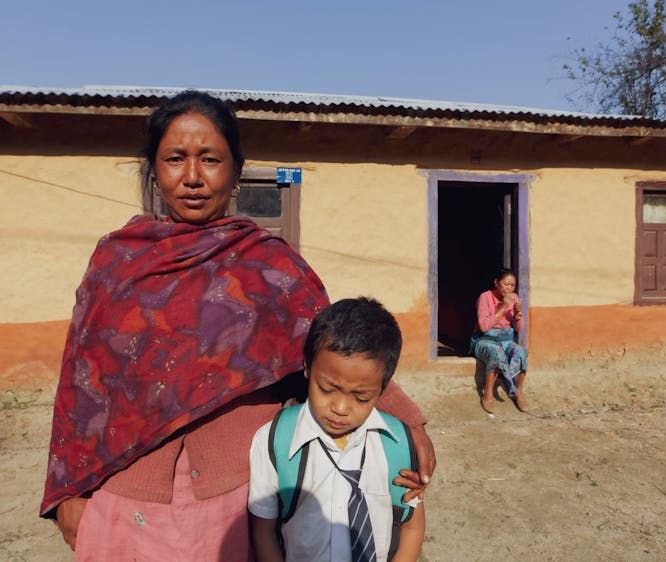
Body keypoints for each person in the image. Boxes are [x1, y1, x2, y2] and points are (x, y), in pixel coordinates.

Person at [40, 90, 435, 561]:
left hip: (236, 494)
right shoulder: (117, 260)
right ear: (153, 169)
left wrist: (409, 426)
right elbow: (82, 386)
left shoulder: (269, 266)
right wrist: (67, 491)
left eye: (210, 159)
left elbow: (332, 346)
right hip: (130, 495)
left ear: (236, 170)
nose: (192, 177)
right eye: (174, 159)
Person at [249, 297, 425, 562]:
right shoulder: (275, 441)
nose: (341, 408)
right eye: (328, 389)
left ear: (382, 388)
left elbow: (412, 524)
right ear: (307, 367)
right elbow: (263, 532)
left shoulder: (397, 444)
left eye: (361, 397)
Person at [470, 268, 529, 413]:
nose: (510, 288)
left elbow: (518, 328)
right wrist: (503, 307)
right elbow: (483, 326)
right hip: (485, 340)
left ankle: (518, 392)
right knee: (497, 353)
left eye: (512, 285)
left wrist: (516, 315)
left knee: (521, 352)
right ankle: (488, 395)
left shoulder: (514, 298)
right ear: (496, 282)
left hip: (506, 340)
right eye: (506, 284)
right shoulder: (485, 297)